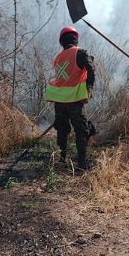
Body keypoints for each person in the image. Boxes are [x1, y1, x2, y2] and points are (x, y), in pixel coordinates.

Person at [43, 26, 96, 170]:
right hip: (74, 100)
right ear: (76, 39)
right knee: (81, 130)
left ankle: (62, 158)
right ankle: (81, 163)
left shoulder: (58, 58)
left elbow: (65, 76)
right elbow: (91, 69)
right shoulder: (80, 52)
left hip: (60, 100)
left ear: (61, 42)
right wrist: (88, 90)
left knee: (62, 129)